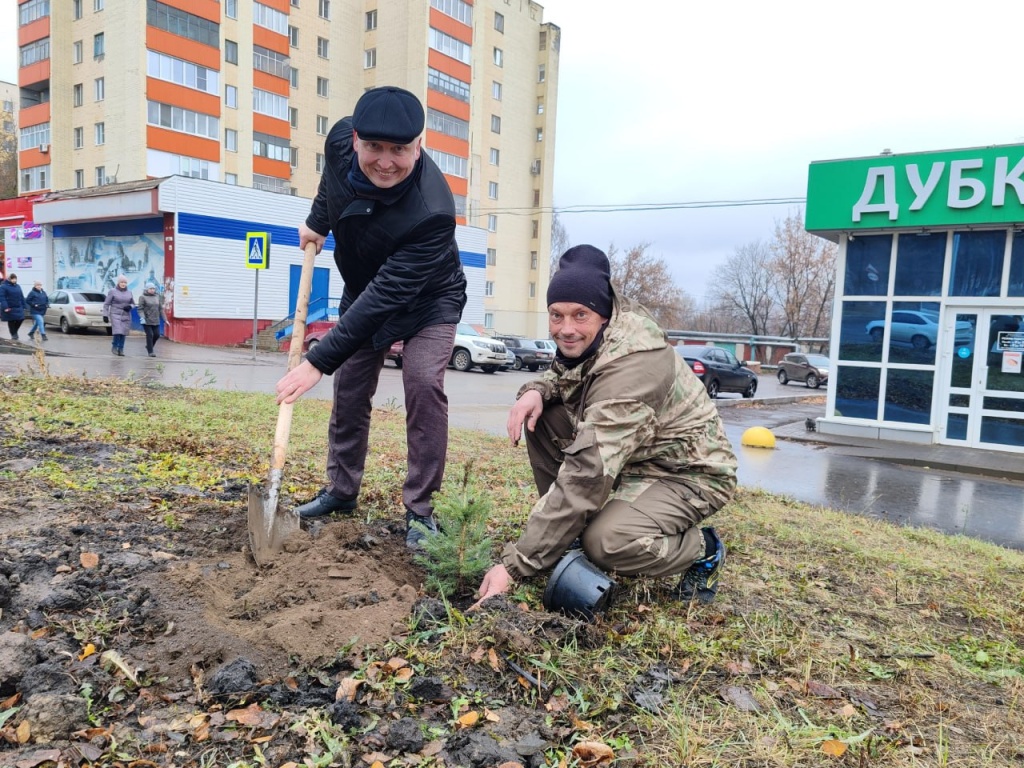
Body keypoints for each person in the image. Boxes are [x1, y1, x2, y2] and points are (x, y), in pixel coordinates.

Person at [476, 245, 738, 610]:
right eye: (556, 316)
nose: (566, 329)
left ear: (602, 314)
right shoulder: (594, 338)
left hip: (686, 472)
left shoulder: (635, 365)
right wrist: (535, 391)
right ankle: (565, 537)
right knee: (542, 415)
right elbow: (564, 375)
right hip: (634, 455)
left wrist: (516, 565)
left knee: (606, 543)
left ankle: (702, 550)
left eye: (579, 315)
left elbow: (588, 472)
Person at [274, 86, 468, 549]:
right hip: (363, 290)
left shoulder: (433, 212)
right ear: (355, 139)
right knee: (351, 388)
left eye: (399, 149)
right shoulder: (339, 141)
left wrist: (318, 359)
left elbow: (388, 296)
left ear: (418, 147)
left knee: (422, 383)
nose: (385, 161)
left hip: (427, 299)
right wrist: (318, 222)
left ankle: (420, 510)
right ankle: (341, 491)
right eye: (374, 147)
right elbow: (331, 187)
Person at [104, 275, 134, 356]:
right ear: (118, 283)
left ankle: (121, 349)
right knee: (118, 331)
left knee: (123, 332)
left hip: (126, 314)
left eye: (125, 282)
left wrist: (130, 306)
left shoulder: (129, 292)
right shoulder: (112, 291)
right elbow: (107, 304)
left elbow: (133, 303)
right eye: (122, 282)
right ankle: (114, 346)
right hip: (115, 314)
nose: (123, 284)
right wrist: (105, 315)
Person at [137, 284, 164, 357]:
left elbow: (161, 309)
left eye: (153, 288)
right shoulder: (142, 297)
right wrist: (142, 317)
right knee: (150, 335)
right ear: (146, 289)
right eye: (150, 288)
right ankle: (150, 351)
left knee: (157, 335)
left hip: (156, 319)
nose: (152, 290)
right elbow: (140, 309)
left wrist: (165, 319)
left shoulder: (157, 297)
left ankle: (149, 346)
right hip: (146, 320)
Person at [0, 273, 27, 341]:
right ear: (9, 279)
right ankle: (14, 334)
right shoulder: (3, 286)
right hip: (9, 307)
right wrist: (5, 307)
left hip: (18, 306)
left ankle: (14, 331)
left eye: (15, 278)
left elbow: (21, 296)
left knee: (21, 319)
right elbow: (2, 298)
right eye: (13, 278)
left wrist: (24, 305)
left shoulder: (18, 286)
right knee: (11, 321)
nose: (14, 280)